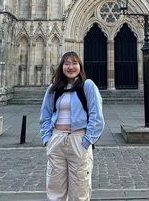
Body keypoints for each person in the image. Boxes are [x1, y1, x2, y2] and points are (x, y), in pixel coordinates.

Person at [39, 51, 105, 201]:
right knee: (55, 189)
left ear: (80, 66)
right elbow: (45, 115)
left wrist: (87, 141)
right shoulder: (53, 88)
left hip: (78, 140)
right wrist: (47, 139)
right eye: (67, 63)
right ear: (61, 66)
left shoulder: (88, 85)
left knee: (79, 190)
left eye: (74, 63)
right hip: (57, 140)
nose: (71, 67)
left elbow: (97, 116)